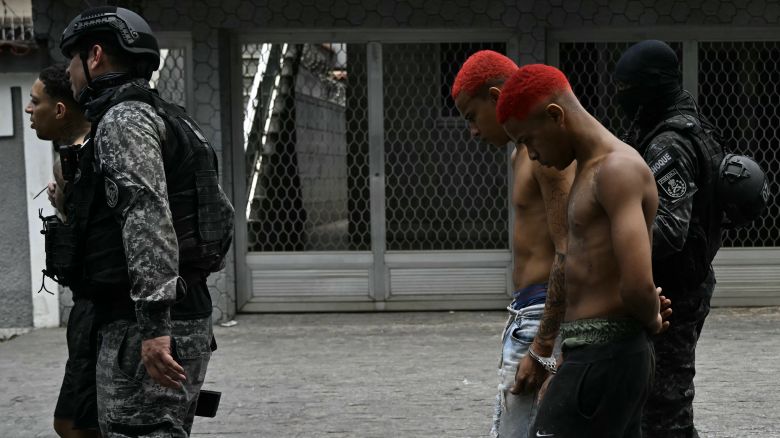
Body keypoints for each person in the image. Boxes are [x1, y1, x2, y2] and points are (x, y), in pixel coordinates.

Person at [51, 6, 233, 437]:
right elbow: (219, 214)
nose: (70, 73)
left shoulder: (124, 120)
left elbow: (146, 217)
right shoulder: (171, 116)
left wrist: (154, 327)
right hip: (178, 313)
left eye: (72, 60)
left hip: (144, 328)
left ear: (95, 56)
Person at [497, 64, 671, 437]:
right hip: (596, 355)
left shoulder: (616, 170)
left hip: (608, 357)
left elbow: (637, 284)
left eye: (529, 140)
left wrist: (653, 318)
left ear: (555, 115)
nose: (532, 155)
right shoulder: (589, 169)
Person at [452, 51, 574, 438]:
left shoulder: (544, 155)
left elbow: (568, 250)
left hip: (542, 315)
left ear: (495, 96)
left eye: (473, 116)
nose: (472, 130)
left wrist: (542, 346)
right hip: (527, 314)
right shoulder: (523, 152)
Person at [614, 40, 725, 438]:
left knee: (664, 414)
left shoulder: (669, 143)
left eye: (627, 89)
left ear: (651, 87)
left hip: (675, 291)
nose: (621, 99)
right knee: (660, 405)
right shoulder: (692, 126)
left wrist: (612, 237)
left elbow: (671, 230)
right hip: (687, 282)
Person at [26, 64, 98, 438]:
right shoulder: (70, 159)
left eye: (35, 101)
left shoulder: (92, 154)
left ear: (59, 110)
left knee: (75, 425)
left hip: (104, 309)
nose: (28, 109)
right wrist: (64, 204)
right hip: (88, 304)